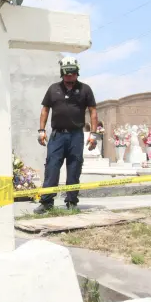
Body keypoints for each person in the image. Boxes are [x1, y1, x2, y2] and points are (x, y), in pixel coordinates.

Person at [34, 57, 98, 213]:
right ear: (62, 73)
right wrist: (41, 130)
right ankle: (47, 203)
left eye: (73, 73)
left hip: (76, 136)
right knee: (52, 168)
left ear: (77, 72)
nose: (70, 76)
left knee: (74, 168)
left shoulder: (85, 89)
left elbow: (93, 112)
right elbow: (45, 110)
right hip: (57, 136)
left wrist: (94, 134)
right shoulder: (53, 89)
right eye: (67, 74)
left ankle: (71, 202)